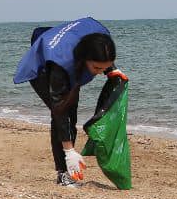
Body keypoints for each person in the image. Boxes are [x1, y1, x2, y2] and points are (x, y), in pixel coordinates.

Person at [13, 17, 126, 186]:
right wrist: (69, 151)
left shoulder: (102, 39)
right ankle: (63, 173)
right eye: (97, 68)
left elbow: (101, 56)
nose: (99, 72)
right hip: (42, 68)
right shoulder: (61, 64)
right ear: (84, 58)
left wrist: (112, 69)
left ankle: (68, 162)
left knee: (72, 112)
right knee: (63, 113)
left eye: (103, 67)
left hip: (71, 54)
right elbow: (59, 109)